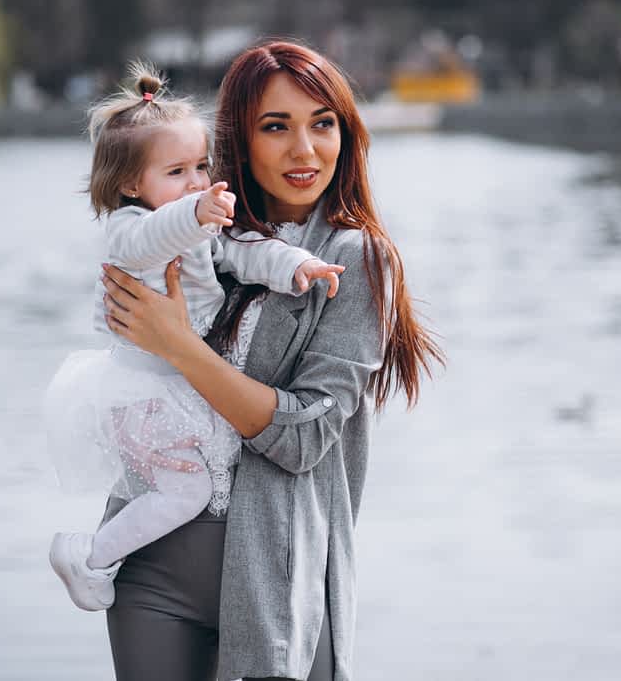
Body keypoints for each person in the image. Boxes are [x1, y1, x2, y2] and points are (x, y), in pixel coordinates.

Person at [98, 41, 443, 681]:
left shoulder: (353, 259)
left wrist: (179, 345)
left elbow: (305, 437)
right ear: (238, 140)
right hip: (149, 570)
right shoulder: (197, 232)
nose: (304, 150)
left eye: (322, 124)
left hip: (278, 587)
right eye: (275, 126)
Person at [43, 61, 346, 613]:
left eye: (202, 166)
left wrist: (298, 265)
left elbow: (243, 254)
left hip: (170, 381)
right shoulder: (130, 227)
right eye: (177, 171)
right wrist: (196, 211)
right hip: (141, 390)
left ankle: (104, 555)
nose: (198, 182)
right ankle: (89, 556)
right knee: (190, 492)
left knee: (194, 485)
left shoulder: (196, 224)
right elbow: (153, 240)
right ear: (132, 184)